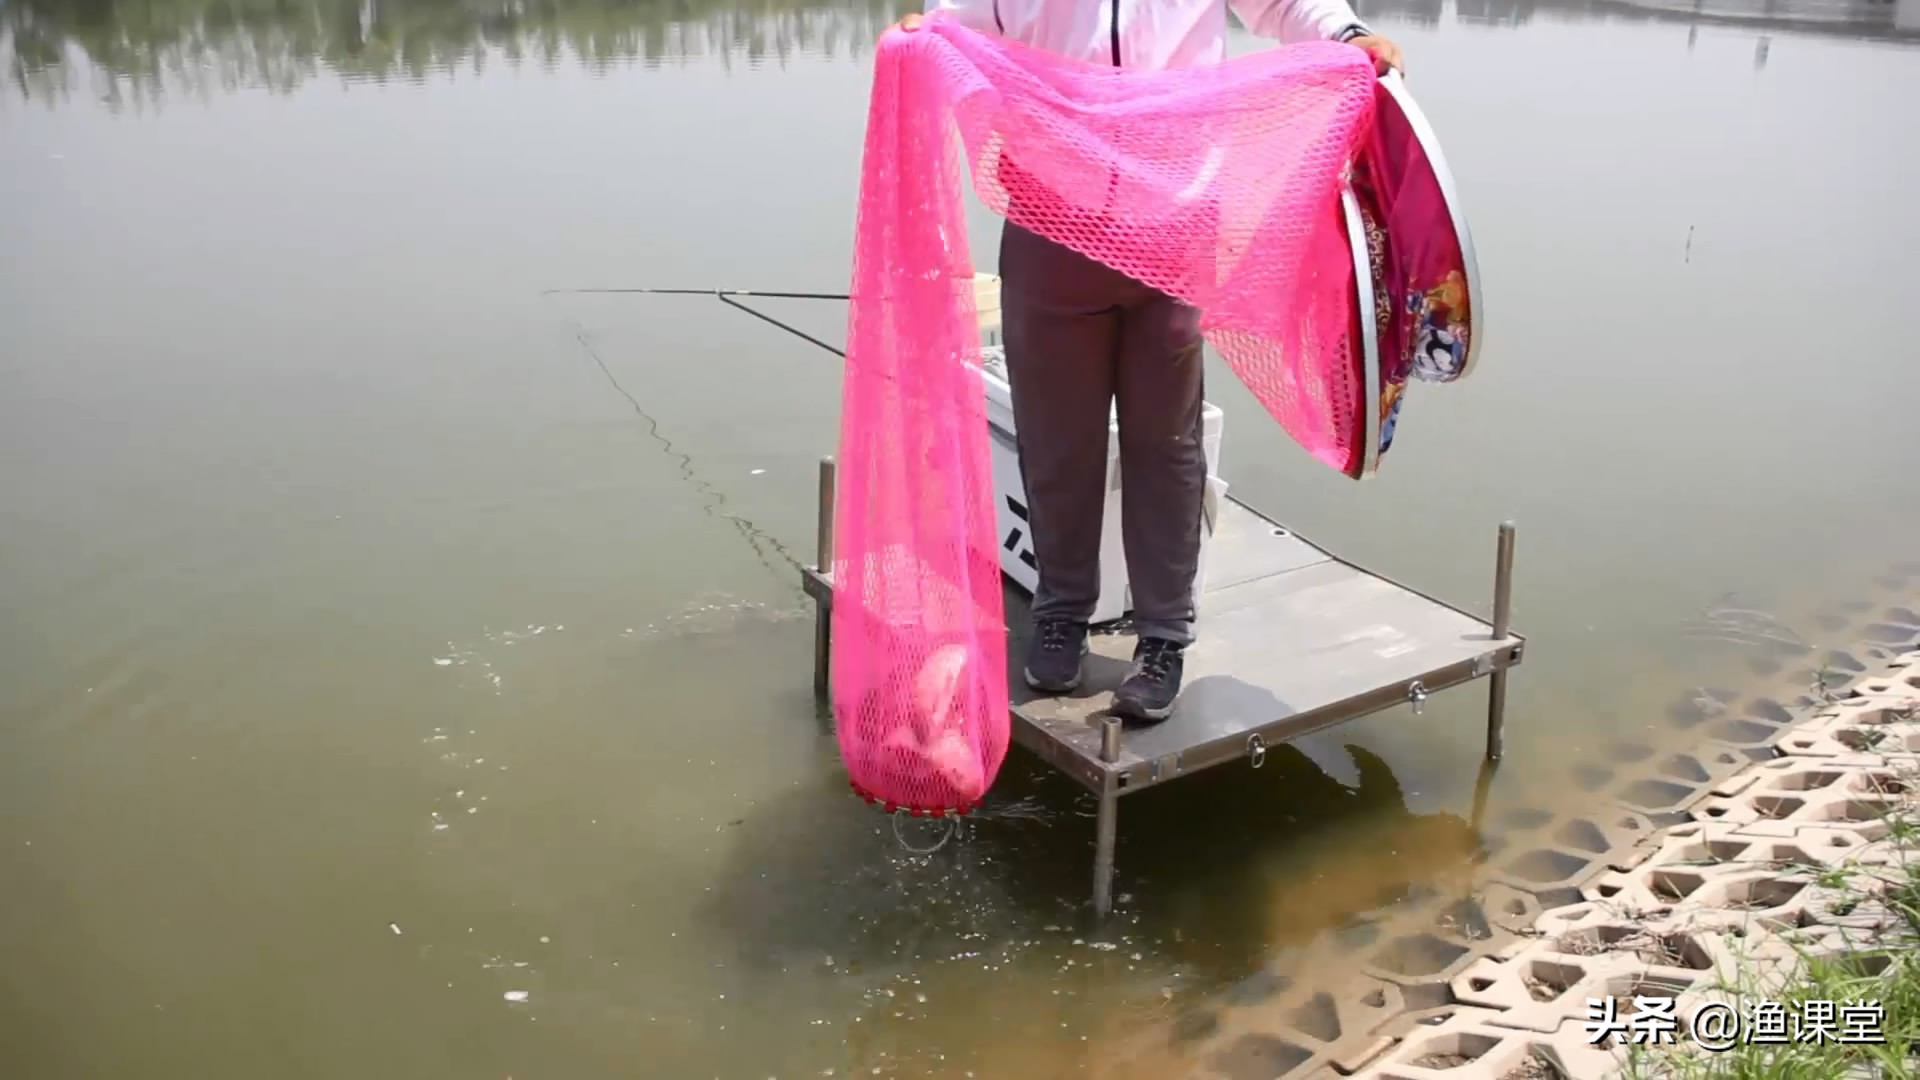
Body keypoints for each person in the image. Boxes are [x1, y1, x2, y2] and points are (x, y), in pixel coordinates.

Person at [886, 0, 1404, 723]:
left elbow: (1286, 4)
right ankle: (1062, 611)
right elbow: (966, 22)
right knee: (1057, 435)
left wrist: (1346, 36)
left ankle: (1163, 636)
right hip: (1050, 219)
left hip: (1175, 223)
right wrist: (925, 31)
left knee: (1166, 441)